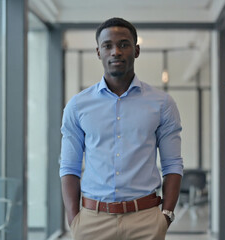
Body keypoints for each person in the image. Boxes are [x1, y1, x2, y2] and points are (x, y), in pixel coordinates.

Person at [60, 17, 183, 240]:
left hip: (145, 220)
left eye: (124, 44)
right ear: (99, 52)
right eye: (108, 46)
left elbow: (173, 164)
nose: (116, 51)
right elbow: (69, 166)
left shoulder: (162, 103)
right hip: (92, 221)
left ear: (136, 51)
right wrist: (74, 219)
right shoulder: (78, 106)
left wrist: (166, 215)